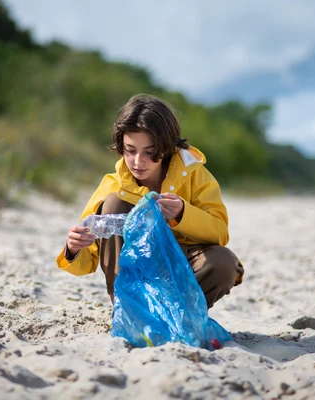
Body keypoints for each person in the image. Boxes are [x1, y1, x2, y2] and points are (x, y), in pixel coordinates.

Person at [56, 94, 244, 308]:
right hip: (136, 277)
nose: (138, 162)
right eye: (130, 150)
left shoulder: (196, 175)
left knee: (224, 263)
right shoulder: (113, 185)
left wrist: (183, 213)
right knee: (114, 203)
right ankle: (129, 310)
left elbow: (220, 233)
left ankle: (182, 315)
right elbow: (85, 263)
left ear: (167, 146)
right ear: (121, 145)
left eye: (149, 152)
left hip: (181, 270)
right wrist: (73, 248)